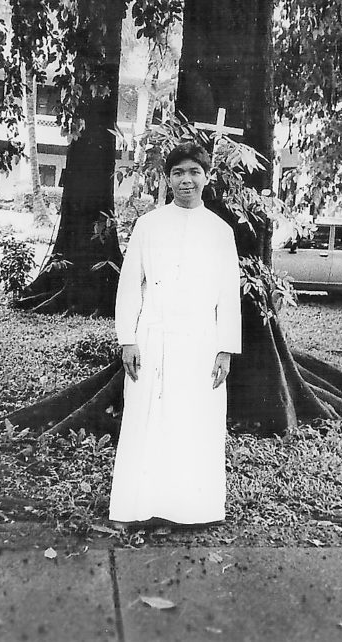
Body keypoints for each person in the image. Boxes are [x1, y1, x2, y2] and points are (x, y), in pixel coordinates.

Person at [109, 142, 242, 527]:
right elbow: (131, 285)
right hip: (153, 339)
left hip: (201, 342)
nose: (186, 180)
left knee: (194, 421)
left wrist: (225, 349)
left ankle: (193, 509)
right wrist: (127, 339)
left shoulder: (220, 231)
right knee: (146, 420)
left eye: (194, 172)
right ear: (167, 178)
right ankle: (138, 507)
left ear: (207, 177)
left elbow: (227, 295)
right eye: (178, 173)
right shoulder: (149, 225)